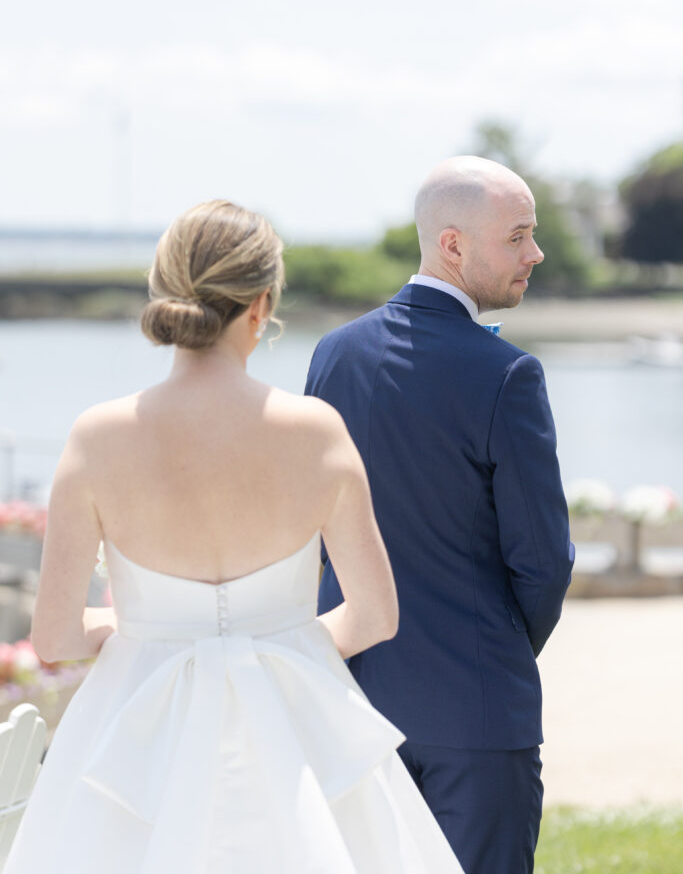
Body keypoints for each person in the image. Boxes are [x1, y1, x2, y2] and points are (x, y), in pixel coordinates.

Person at [5, 201, 464, 874]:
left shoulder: (97, 437)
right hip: (295, 726)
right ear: (261, 303)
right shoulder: (316, 431)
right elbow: (374, 615)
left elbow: (55, 638)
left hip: (135, 733)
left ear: (165, 295)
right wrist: (275, 644)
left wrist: (137, 630)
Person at [305, 156, 576, 874]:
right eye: (517, 236)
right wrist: (496, 651)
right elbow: (543, 562)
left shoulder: (332, 356)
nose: (535, 254)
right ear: (453, 245)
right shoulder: (507, 374)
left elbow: (317, 537)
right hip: (477, 715)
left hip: (352, 711)